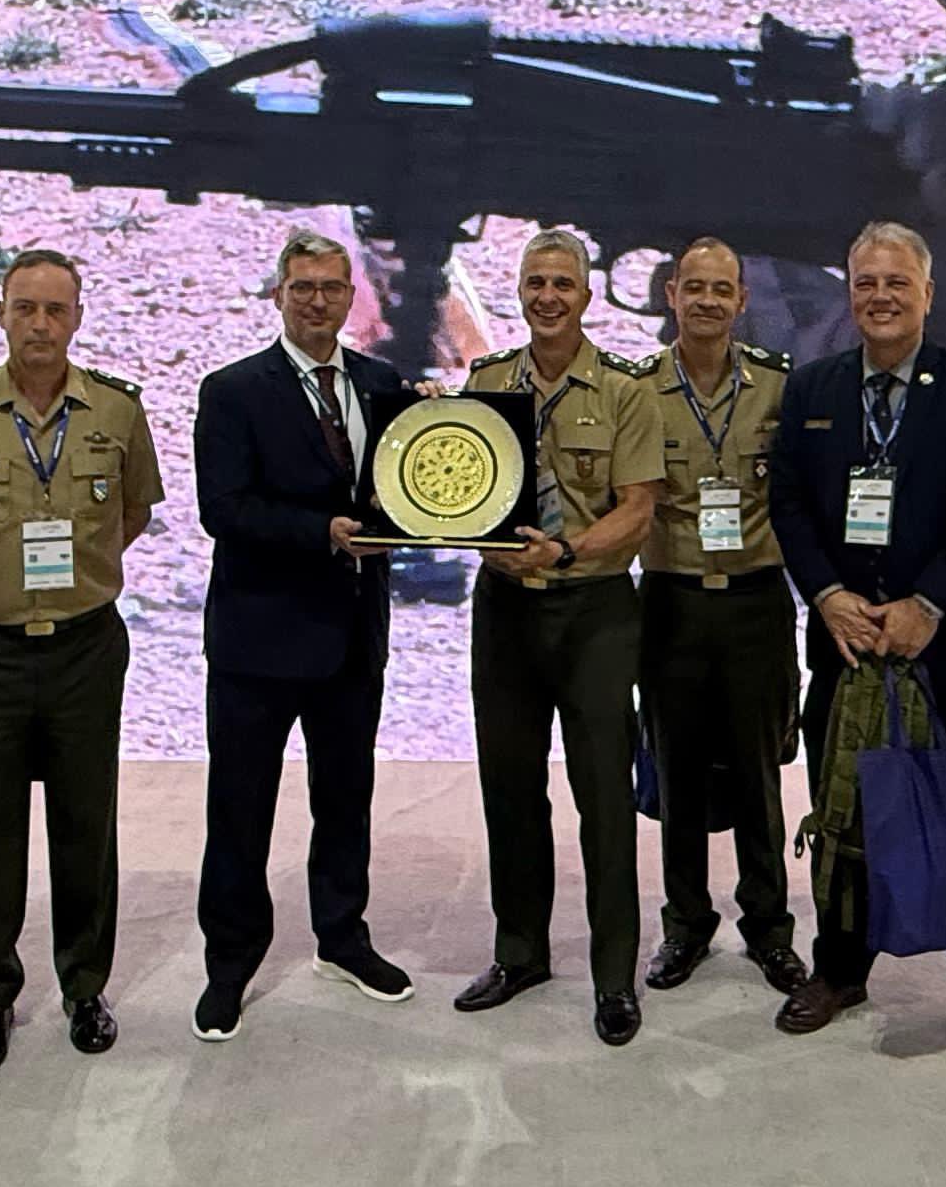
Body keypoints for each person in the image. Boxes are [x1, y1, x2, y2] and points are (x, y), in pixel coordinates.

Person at [768, 221, 946, 1074]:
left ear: (927, 293)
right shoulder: (812, 387)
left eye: (896, 282)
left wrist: (929, 602)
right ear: (849, 292)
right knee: (846, 814)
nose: (879, 297)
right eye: (865, 282)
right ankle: (840, 971)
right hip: (846, 647)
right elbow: (789, 506)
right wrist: (828, 595)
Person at [0, 247, 163, 1076]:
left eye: (55, 309)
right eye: (25, 308)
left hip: (86, 646)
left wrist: (72, 579)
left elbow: (131, 512)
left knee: (86, 825)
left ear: (77, 318)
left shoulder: (116, 409)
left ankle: (85, 987)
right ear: (2, 315)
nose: (40, 325)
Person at [190, 226, 415, 1043]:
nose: (318, 301)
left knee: (346, 799)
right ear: (279, 295)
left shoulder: (383, 384)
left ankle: (342, 938)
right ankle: (229, 964)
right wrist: (322, 531)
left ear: (352, 296)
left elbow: (406, 490)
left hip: (352, 637)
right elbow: (224, 509)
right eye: (303, 288)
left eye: (331, 287)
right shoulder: (232, 390)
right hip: (258, 639)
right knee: (240, 810)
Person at [452, 229, 664, 1046]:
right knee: (509, 788)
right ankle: (520, 953)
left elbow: (637, 509)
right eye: (535, 282)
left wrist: (566, 551)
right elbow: (461, 492)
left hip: (593, 611)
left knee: (605, 798)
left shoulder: (624, 391)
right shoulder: (486, 383)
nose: (548, 297)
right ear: (520, 290)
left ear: (585, 294)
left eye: (562, 284)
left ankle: (614, 978)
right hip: (505, 611)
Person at [636, 235, 807, 997]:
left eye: (721, 289)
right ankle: (685, 924)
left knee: (757, 768)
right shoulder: (637, 389)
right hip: (671, 599)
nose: (707, 301)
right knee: (674, 768)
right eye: (694, 287)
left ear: (742, 300)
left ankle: (769, 927)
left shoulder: (779, 387)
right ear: (671, 294)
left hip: (754, 601)